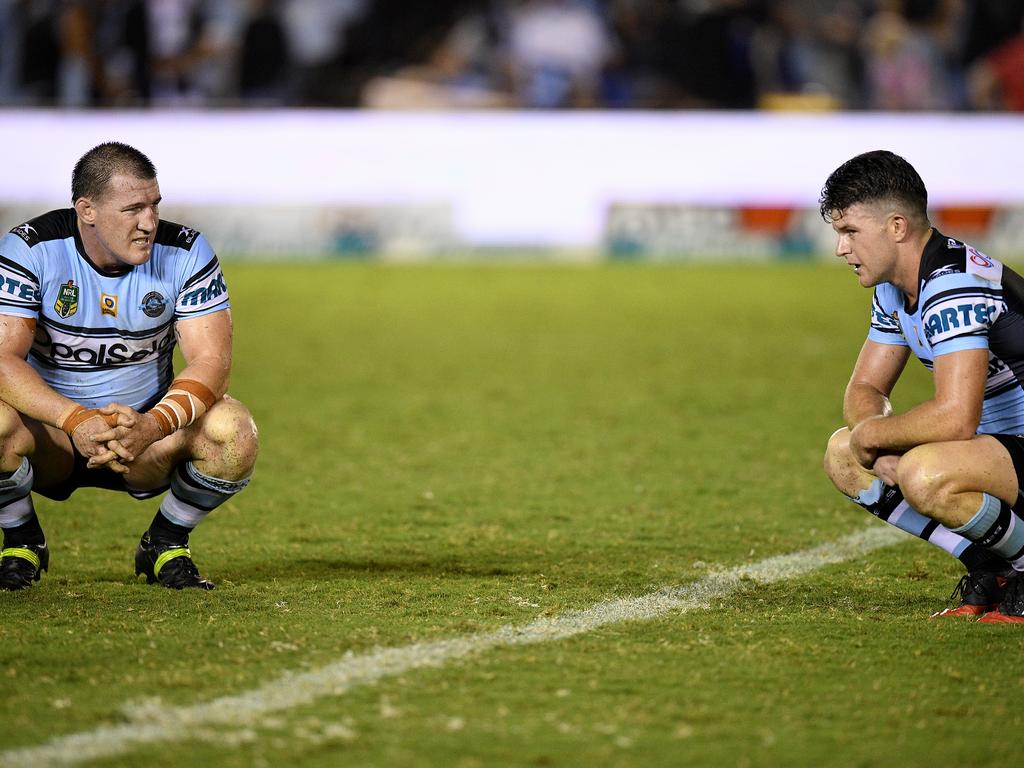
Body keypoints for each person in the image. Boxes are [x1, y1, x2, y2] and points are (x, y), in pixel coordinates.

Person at [0, 141, 258, 591]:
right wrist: (74, 419)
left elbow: (212, 361)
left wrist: (153, 425)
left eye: (155, 205)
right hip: (54, 436)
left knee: (233, 430)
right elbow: (3, 360)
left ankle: (166, 541)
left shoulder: (186, 250)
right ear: (87, 210)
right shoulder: (31, 248)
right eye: (133, 209)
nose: (149, 223)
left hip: (142, 437)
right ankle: (21, 540)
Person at [821, 149, 1024, 623]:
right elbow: (865, 387)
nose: (841, 249)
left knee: (924, 473)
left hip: (1012, 446)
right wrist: (874, 440)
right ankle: (990, 566)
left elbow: (956, 418)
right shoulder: (895, 286)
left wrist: (876, 437)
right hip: (1002, 450)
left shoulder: (953, 283)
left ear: (896, 227)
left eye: (850, 231)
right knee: (843, 455)